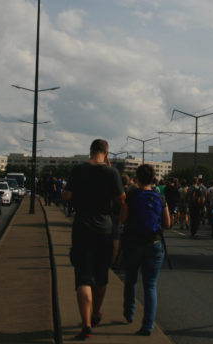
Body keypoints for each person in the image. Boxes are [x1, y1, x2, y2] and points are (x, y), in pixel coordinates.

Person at [62, 139, 125, 340]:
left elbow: (67, 196)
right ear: (106, 154)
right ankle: (96, 313)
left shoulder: (79, 170)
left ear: (90, 152)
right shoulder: (112, 172)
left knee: (83, 277)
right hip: (104, 228)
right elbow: (121, 200)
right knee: (101, 275)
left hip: (82, 227)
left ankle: (86, 323)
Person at [120, 164, 171, 336]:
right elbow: (168, 223)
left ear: (138, 177)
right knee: (150, 285)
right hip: (154, 244)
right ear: (153, 178)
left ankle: (129, 313)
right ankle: (148, 326)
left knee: (131, 279)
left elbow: (123, 219)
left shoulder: (131, 195)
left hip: (133, 243)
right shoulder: (159, 196)